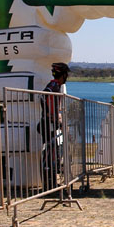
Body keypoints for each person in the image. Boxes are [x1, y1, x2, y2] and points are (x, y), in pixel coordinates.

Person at [40, 62, 70, 190]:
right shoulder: (54, 86)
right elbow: (51, 106)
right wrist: (58, 121)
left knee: (53, 153)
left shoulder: (52, 85)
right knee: (50, 154)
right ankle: (49, 184)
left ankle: (51, 183)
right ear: (62, 75)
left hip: (49, 124)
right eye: (66, 74)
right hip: (49, 125)